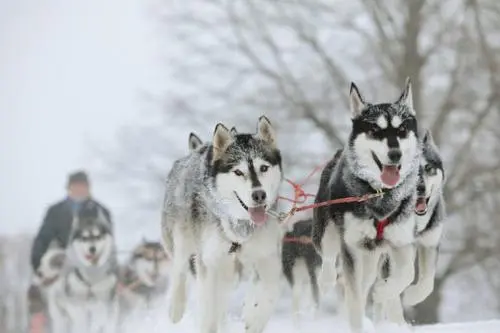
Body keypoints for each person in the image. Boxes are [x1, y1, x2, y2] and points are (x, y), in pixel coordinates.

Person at [28, 171, 112, 333]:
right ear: (69, 188)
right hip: (62, 257)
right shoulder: (55, 211)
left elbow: (108, 240)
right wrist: (37, 262)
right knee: (36, 288)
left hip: (92, 259)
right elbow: (43, 238)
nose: (80, 190)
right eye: (76, 187)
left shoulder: (101, 211)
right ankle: (38, 324)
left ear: (89, 188)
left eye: (83, 187)